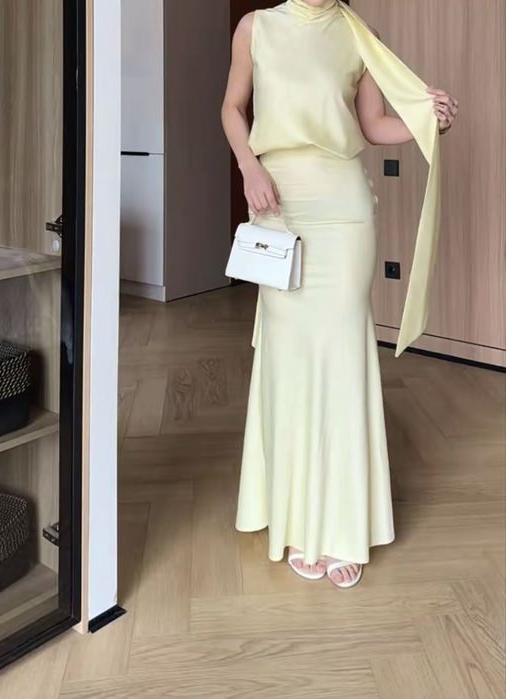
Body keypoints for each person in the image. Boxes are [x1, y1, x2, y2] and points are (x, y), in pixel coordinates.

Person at [220, 0, 458, 588]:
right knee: (292, 357)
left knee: (343, 354)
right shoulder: (256, 27)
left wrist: (426, 119)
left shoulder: (358, 32)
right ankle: (298, 517)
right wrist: (249, 167)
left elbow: (373, 125)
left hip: (344, 208)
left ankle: (340, 525)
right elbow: (232, 107)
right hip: (277, 203)